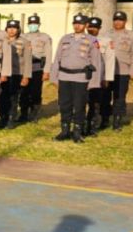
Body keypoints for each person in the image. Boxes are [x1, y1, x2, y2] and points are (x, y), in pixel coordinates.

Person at [50, 13, 102, 143]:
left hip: (81, 77)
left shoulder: (92, 40)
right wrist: (54, 76)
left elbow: (96, 62)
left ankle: (77, 132)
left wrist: (94, 81)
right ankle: (65, 130)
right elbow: (57, 58)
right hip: (64, 76)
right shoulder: (65, 38)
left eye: (80, 23)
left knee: (79, 105)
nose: (77, 26)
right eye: (75, 23)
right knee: (64, 104)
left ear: (85, 25)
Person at [105, 10, 133, 130]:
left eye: (120, 20)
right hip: (107, 71)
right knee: (105, 96)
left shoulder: (132, 36)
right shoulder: (106, 34)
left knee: (119, 97)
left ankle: (117, 121)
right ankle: (104, 119)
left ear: (125, 21)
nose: (117, 22)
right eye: (115, 20)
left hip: (123, 71)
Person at [20, 14, 53, 123]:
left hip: (37, 67)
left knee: (35, 91)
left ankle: (34, 114)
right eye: (31, 24)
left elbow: (48, 55)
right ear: (28, 25)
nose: (32, 26)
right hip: (24, 68)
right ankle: (23, 114)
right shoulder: (22, 37)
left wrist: (47, 71)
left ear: (39, 24)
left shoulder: (45, 37)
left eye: (35, 24)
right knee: (24, 91)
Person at [0, 20, 26, 129]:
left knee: (13, 97)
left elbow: (27, 60)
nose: (11, 30)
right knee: (2, 96)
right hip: (2, 73)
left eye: (14, 28)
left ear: (18, 30)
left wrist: (25, 76)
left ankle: (11, 119)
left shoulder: (24, 42)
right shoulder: (1, 41)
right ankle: (2, 118)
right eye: (9, 28)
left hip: (16, 73)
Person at [84, 17, 110, 136]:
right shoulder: (80, 39)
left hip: (98, 76)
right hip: (82, 76)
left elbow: (109, 61)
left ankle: (92, 127)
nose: (92, 29)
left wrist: (106, 78)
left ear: (99, 28)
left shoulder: (106, 41)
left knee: (95, 103)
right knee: (81, 103)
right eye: (90, 27)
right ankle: (82, 126)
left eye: (95, 27)